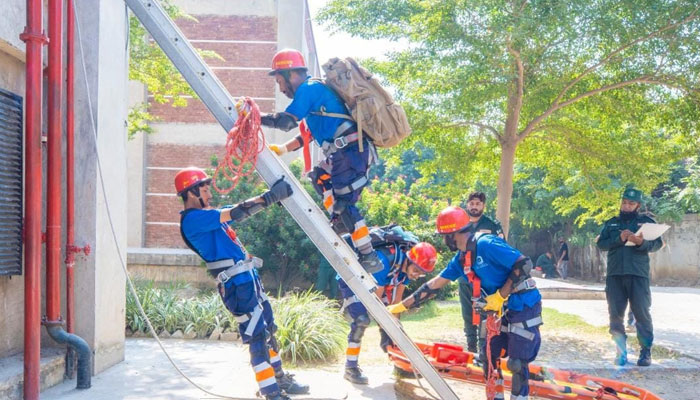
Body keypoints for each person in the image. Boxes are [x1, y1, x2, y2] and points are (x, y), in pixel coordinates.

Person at [175, 167, 307, 400]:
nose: (209, 194)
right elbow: (235, 212)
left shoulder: (206, 216)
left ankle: (279, 379)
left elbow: (233, 213)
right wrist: (268, 197)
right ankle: (270, 392)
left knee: (269, 330)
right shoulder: (193, 220)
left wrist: (267, 198)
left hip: (247, 278)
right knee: (256, 335)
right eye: (204, 189)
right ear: (192, 192)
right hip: (236, 285)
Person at [388, 206, 542, 400]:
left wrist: (500, 296)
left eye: (444, 236)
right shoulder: (461, 260)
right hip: (499, 310)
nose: (444, 241)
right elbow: (433, 285)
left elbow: (523, 264)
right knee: (489, 358)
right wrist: (402, 306)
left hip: (523, 304)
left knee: (517, 362)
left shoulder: (486, 244)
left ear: (453, 234)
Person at [261, 48, 381, 274]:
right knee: (320, 177)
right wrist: (284, 149)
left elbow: (286, 122)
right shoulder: (312, 93)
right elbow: (307, 134)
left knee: (346, 204)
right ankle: (338, 220)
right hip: (343, 153)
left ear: (290, 74)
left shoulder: (308, 89)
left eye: (280, 81)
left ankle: (369, 255)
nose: (281, 88)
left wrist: (254, 118)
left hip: (351, 152)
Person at [338, 227, 437, 385]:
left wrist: (394, 332)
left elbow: (396, 304)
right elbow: (374, 302)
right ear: (409, 260)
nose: (416, 275)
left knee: (393, 326)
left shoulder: (407, 269)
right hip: (350, 281)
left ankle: (400, 364)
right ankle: (351, 367)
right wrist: (386, 328)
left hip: (374, 286)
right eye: (416, 270)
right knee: (362, 320)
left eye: (421, 273)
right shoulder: (384, 261)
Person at [596, 187, 662, 367]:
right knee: (615, 315)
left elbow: (657, 244)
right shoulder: (611, 224)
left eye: (631, 203)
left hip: (638, 275)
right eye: (624, 202)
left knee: (642, 314)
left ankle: (645, 352)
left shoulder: (646, 223)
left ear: (637, 205)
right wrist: (619, 238)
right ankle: (621, 352)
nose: (626, 206)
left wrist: (641, 242)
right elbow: (601, 244)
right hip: (615, 275)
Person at [458, 191, 504, 352]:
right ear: (467, 205)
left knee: (485, 312)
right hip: (465, 276)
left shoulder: (493, 225)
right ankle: (471, 348)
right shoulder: (460, 224)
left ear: (483, 206)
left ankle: (484, 349)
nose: (474, 207)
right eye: (472, 203)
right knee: (467, 312)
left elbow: (501, 248)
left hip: (486, 277)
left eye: (478, 204)